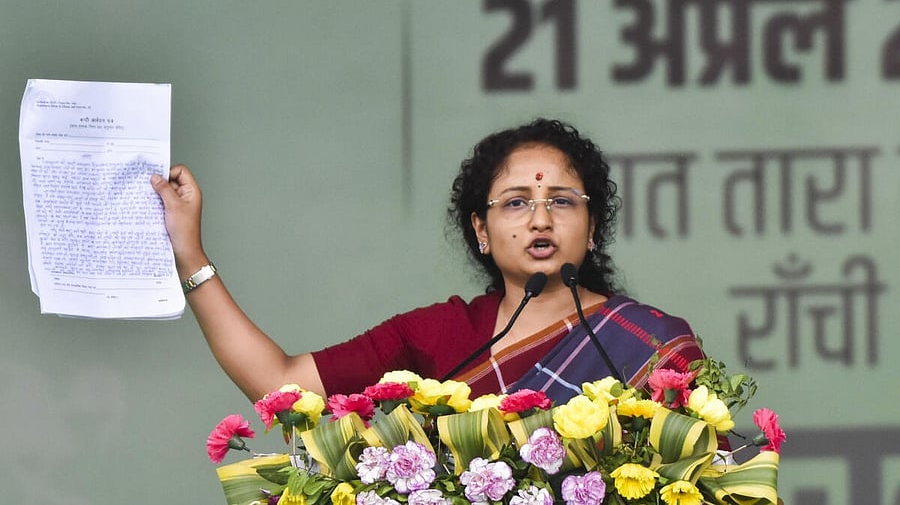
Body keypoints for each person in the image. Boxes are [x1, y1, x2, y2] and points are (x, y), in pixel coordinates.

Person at [151, 118, 704, 404]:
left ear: (592, 225)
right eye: (516, 203)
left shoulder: (647, 342)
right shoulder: (439, 334)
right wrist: (190, 257)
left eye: (561, 201)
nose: (540, 220)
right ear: (481, 231)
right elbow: (279, 383)